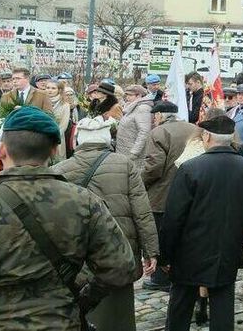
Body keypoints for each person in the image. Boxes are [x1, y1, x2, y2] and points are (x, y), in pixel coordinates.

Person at [0, 106, 137, 330]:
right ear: (54, 150)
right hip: (60, 321)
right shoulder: (85, 202)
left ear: (2, 151)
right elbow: (120, 267)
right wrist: (83, 299)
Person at [52, 117, 159, 331]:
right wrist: (151, 251)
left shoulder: (60, 169)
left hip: (78, 254)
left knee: (80, 308)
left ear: (78, 140)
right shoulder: (124, 164)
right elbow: (142, 212)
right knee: (119, 315)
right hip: (119, 253)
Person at [160, 111, 243, 331]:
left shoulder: (190, 168)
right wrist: (236, 241)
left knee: (180, 308)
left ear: (206, 137)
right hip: (227, 248)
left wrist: (166, 254)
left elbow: (174, 218)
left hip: (189, 252)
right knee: (223, 306)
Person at [141, 101, 199, 290]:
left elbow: (154, 167)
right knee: (185, 234)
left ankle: (161, 278)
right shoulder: (194, 129)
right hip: (192, 191)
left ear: (159, 116)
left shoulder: (158, 132)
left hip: (163, 193)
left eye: (154, 116)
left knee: (160, 236)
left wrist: (140, 182)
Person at [117, 84, 154, 160]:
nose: (127, 98)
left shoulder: (143, 108)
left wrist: (134, 152)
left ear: (139, 96)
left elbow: (144, 132)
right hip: (124, 149)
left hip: (132, 154)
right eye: (126, 95)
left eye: (130, 95)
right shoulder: (131, 107)